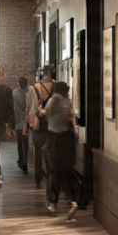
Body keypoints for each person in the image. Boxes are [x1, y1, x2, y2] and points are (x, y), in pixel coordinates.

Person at [42, 82, 81, 221]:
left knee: (55, 171)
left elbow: (43, 113)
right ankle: (73, 199)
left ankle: (52, 201)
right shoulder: (67, 101)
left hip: (55, 140)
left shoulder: (53, 100)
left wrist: (38, 110)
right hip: (68, 139)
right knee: (67, 170)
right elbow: (71, 119)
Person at [27, 66, 55, 188]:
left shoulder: (34, 87)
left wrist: (29, 124)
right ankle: (51, 176)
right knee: (51, 152)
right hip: (52, 124)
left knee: (37, 152)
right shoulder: (56, 86)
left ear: (42, 74)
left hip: (39, 123)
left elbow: (31, 108)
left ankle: (38, 179)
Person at [13, 77, 30, 174]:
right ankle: (25, 161)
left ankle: (21, 161)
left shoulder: (14, 94)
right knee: (26, 144)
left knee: (20, 144)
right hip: (27, 122)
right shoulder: (30, 93)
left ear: (18, 84)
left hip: (19, 122)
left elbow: (14, 109)